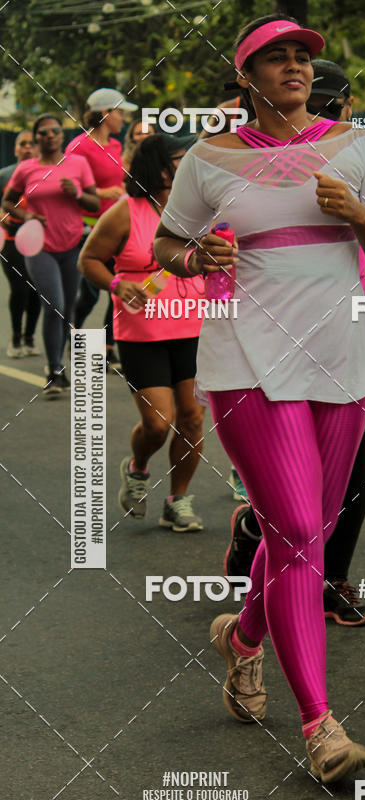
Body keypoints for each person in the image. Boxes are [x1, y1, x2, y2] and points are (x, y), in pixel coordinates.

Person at [154, 14, 365, 781]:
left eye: (304, 56)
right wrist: (197, 253)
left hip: (343, 357)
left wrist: (359, 213)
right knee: (299, 526)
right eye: (278, 57)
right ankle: (320, 725)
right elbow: (166, 248)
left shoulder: (358, 146)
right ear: (247, 75)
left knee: (308, 530)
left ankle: (242, 640)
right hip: (244, 360)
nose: (295, 67)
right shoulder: (209, 158)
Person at [224, 59, 365, 627]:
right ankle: (262, 537)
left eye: (327, 110)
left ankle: (328, 579)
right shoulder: (247, 159)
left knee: (346, 468)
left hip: (361, 314)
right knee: (300, 474)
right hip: (274, 327)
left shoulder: (361, 151)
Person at [79, 134, 205, 531]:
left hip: (194, 326)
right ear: (157, 166)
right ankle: (137, 468)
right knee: (158, 423)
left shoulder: (197, 210)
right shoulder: (124, 212)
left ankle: (178, 500)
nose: (186, 166)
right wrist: (118, 285)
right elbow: (90, 260)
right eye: (178, 160)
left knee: (193, 419)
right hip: (141, 332)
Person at [2, 114, 99, 397]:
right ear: (37, 138)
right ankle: (54, 370)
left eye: (55, 131)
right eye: (43, 133)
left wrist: (78, 193)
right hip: (40, 246)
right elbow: (7, 201)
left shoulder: (78, 164)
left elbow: (94, 203)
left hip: (72, 246)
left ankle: (61, 365)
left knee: (67, 307)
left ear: (61, 135)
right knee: (54, 305)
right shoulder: (26, 169)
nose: (50, 135)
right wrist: (27, 214)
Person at [67, 88, 138, 370]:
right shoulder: (78, 147)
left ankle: (107, 348)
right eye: (120, 112)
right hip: (88, 229)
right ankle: (74, 337)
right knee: (91, 294)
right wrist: (102, 192)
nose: (123, 118)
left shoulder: (117, 147)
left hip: (117, 229)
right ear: (105, 114)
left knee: (117, 288)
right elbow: (69, 186)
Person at [0, 130, 41, 358]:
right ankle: (15, 339)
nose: (27, 147)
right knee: (19, 289)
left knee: (35, 291)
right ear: (15, 149)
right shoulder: (5, 175)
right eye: (22, 143)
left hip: (38, 241)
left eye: (31, 144)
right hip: (11, 241)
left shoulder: (45, 175)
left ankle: (29, 338)